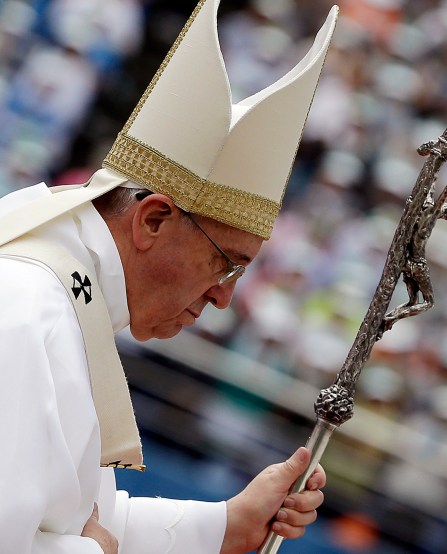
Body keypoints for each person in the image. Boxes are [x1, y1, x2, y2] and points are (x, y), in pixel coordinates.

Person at [0, 1, 339, 552]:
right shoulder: (23, 309)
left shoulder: (69, 303)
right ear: (153, 220)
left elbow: (73, 516)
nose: (226, 297)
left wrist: (226, 526)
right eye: (225, 261)